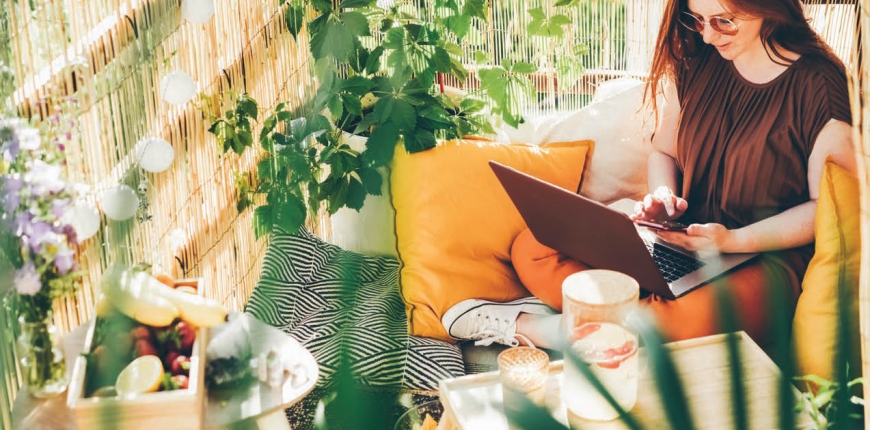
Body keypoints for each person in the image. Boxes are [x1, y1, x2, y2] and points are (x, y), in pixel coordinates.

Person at [440, 0, 856, 350]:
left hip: (763, 256)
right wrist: (664, 200)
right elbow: (664, 151)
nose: (708, 36)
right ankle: (628, 320)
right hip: (682, 239)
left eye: (723, 21)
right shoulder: (697, 62)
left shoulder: (821, 85)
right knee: (534, 247)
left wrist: (734, 240)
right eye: (697, 19)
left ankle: (536, 328)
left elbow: (828, 207)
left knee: (677, 323)